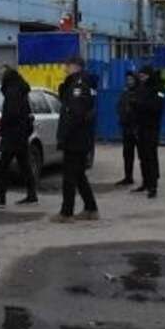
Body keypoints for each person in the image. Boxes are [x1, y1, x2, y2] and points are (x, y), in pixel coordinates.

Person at [52, 56, 99, 223]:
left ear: (75, 66)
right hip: (82, 137)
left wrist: (65, 135)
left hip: (75, 138)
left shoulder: (79, 84)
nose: (65, 67)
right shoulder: (82, 82)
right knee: (79, 175)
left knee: (69, 177)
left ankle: (66, 213)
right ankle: (91, 209)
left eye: (67, 65)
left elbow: (75, 113)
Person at [0, 66, 38, 206]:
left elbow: (11, 112)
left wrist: (3, 126)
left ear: (7, 76)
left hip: (12, 133)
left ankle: (1, 196)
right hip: (20, 133)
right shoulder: (19, 88)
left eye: (1, 74)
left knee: (4, 165)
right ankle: (31, 194)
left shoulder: (12, 90)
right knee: (24, 164)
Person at [133, 65, 165, 199]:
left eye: (143, 76)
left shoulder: (158, 89)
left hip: (151, 127)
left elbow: (157, 107)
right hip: (140, 126)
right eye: (140, 76)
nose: (141, 79)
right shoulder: (141, 87)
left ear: (149, 75)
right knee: (142, 157)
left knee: (150, 156)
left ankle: (153, 186)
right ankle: (145, 182)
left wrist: (139, 105)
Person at [114, 71, 139, 186]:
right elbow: (119, 106)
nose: (129, 82)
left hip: (138, 128)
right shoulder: (125, 92)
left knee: (144, 155)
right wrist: (122, 115)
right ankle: (128, 177)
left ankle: (148, 181)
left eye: (131, 79)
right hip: (126, 127)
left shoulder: (139, 92)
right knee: (127, 154)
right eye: (128, 80)